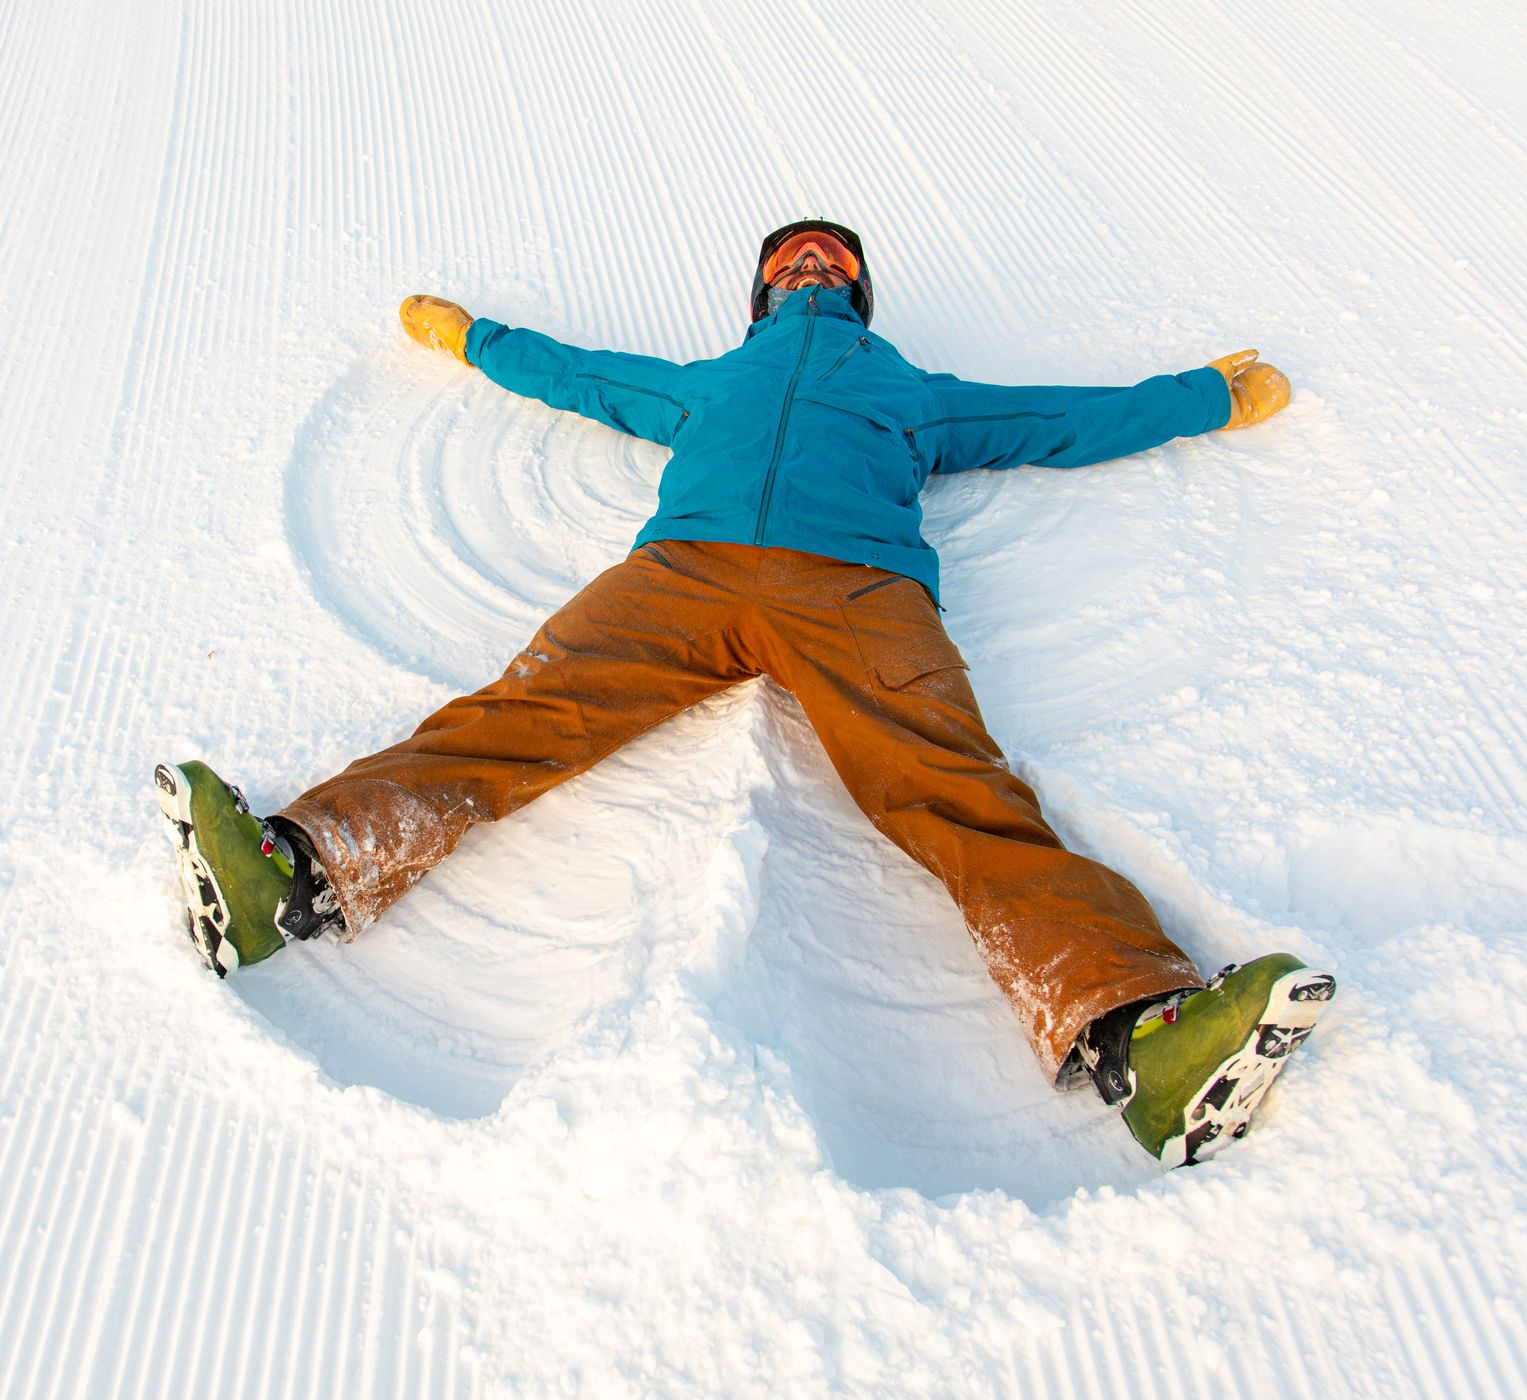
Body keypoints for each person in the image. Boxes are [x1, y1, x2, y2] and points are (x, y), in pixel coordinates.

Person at [155, 221, 1334, 1168]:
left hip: (856, 589)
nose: (811, 259)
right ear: (763, 293)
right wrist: (472, 337)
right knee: (521, 715)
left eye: (832, 254)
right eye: (789, 256)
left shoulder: (913, 390)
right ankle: (290, 874)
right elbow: (577, 374)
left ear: (857, 288)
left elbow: (1064, 419)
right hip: (685, 573)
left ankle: (1142, 1033)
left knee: (952, 790)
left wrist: (1204, 396)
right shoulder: (712, 381)